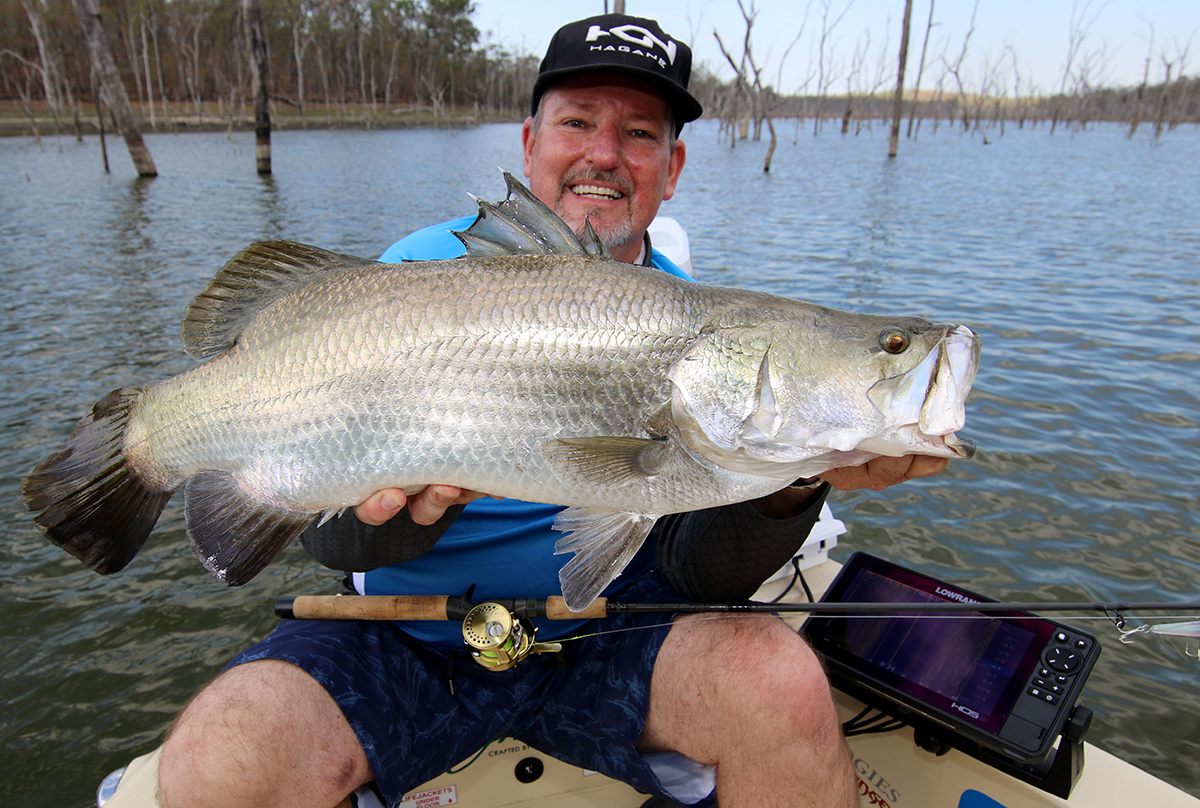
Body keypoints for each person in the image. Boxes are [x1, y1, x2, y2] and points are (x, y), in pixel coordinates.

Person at [157, 14, 948, 808]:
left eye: (638, 132)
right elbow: (334, 546)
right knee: (219, 757)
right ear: (530, 139)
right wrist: (409, 517)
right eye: (578, 122)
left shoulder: (704, 313)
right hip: (406, 640)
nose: (604, 154)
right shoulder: (400, 280)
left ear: (670, 167)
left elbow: (694, 569)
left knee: (783, 685)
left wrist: (796, 479)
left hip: (610, 633)